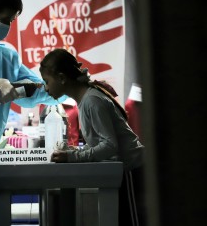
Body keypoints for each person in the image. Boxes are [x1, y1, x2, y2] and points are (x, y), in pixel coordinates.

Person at [39, 48, 146, 226]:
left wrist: (73, 156)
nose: (46, 88)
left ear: (62, 78)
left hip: (131, 171)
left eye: (47, 81)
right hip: (122, 172)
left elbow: (109, 145)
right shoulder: (84, 100)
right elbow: (100, 143)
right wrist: (75, 151)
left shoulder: (91, 101)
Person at [0, 0, 66, 151]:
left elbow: (36, 91)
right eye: (5, 20)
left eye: (12, 21)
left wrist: (67, 85)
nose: (8, 27)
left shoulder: (6, 56)